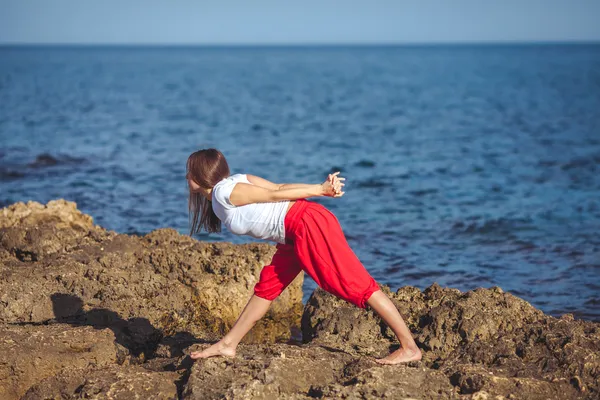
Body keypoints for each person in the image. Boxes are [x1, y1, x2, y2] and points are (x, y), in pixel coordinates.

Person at [185, 148, 422, 365]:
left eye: (189, 171)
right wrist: (317, 188)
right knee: (267, 287)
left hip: (306, 224)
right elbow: (278, 188)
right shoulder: (233, 182)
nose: (186, 176)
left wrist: (320, 190)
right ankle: (228, 344)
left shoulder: (223, 191)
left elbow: (274, 196)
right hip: (292, 234)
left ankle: (409, 347)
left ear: (200, 174)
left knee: (356, 283)